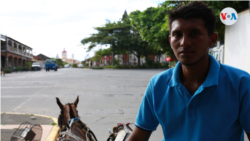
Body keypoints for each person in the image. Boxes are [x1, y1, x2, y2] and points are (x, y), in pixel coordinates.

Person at [127, 1, 250, 141]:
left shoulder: (241, 83)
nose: (184, 42)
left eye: (194, 33)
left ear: (212, 39)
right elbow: (138, 136)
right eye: (177, 35)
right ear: (170, 40)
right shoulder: (157, 84)